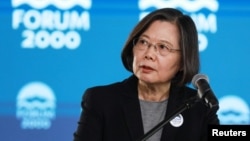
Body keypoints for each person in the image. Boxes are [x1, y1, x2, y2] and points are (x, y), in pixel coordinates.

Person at [73, 8, 220, 141]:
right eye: (143, 42)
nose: (149, 54)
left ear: (183, 60)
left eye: (163, 47)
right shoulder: (101, 101)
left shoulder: (199, 108)